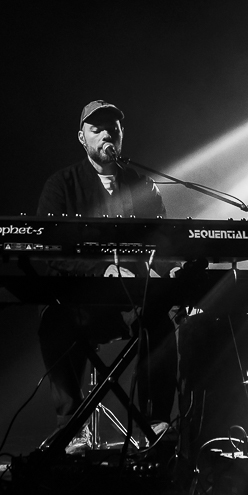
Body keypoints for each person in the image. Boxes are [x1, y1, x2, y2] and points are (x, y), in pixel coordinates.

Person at [36, 100, 176, 450]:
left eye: (112, 128)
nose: (106, 134)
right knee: (54, 321)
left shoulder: (143, 186)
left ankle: (154, 422)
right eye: (96, 129)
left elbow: (162, 244)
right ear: (81, 137)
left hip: (131, 301)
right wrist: (102, 269)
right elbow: (50, 250)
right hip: (81, 302)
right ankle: (72, 427)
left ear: (122, 134)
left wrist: (169, 269)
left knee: (160, 321)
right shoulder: (61, 185)